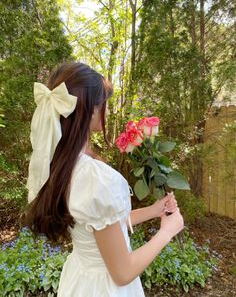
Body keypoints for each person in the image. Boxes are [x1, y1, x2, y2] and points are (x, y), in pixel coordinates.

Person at [24, 61, 184, 297]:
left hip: (80, 280)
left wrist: (153, 210)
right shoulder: (95, 178)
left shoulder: (58, 165)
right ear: (90, 109)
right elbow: (122, 272)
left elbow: (102, 225)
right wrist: (167, 231)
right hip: (105, 288)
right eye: (103, 104)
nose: (105, 109)